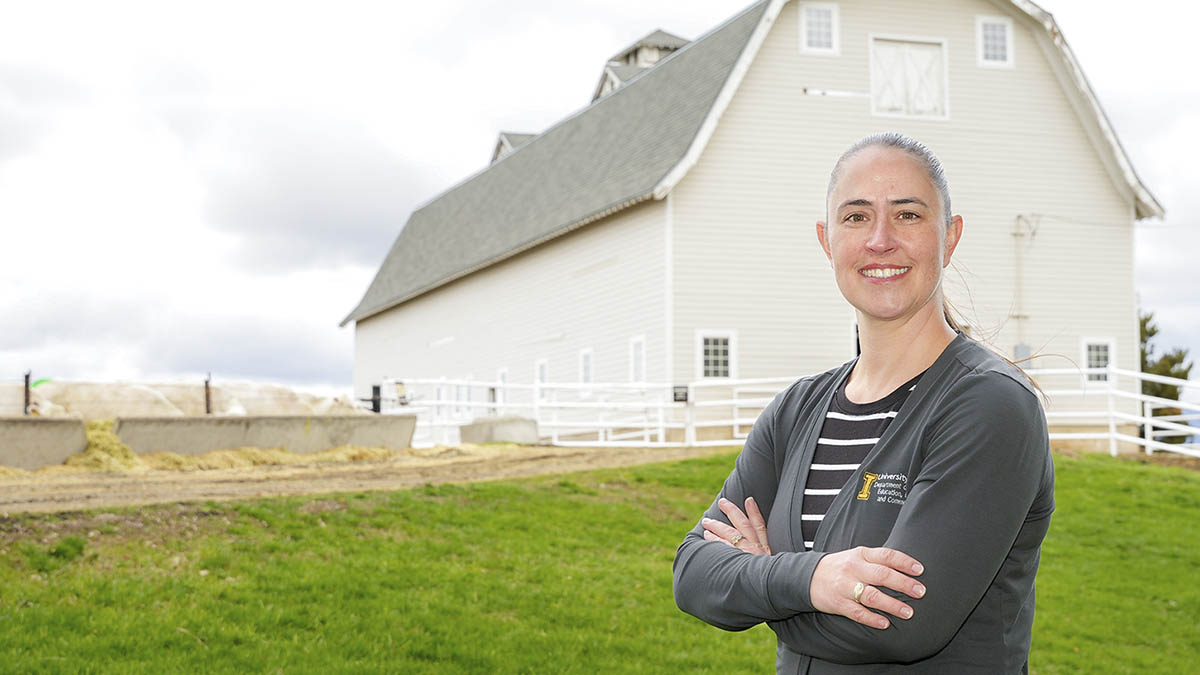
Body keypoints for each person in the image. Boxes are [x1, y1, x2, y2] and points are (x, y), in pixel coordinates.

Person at [672, 132, 1055, 673]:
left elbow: (901, 623)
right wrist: (812, 580)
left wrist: (762, 582)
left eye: (908, 215)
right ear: (828, 241)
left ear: (950, 237)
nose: (880, 240)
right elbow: (692, 574)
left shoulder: (988, 405)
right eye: (856, 217)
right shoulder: (796, 411)